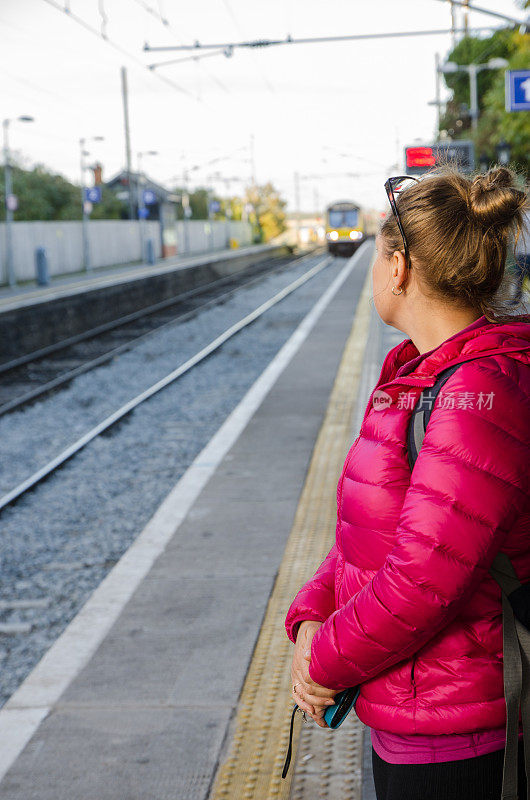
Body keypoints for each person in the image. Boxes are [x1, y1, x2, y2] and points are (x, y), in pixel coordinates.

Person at [285, 166, 530, 800]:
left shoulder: (478, 395)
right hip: (413, 713)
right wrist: (312, 612)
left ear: (398, 269)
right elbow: (371, 530)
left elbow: (421, 579)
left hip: (464, 737)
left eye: (376, 254)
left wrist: (322, 660)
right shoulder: (420, 378)